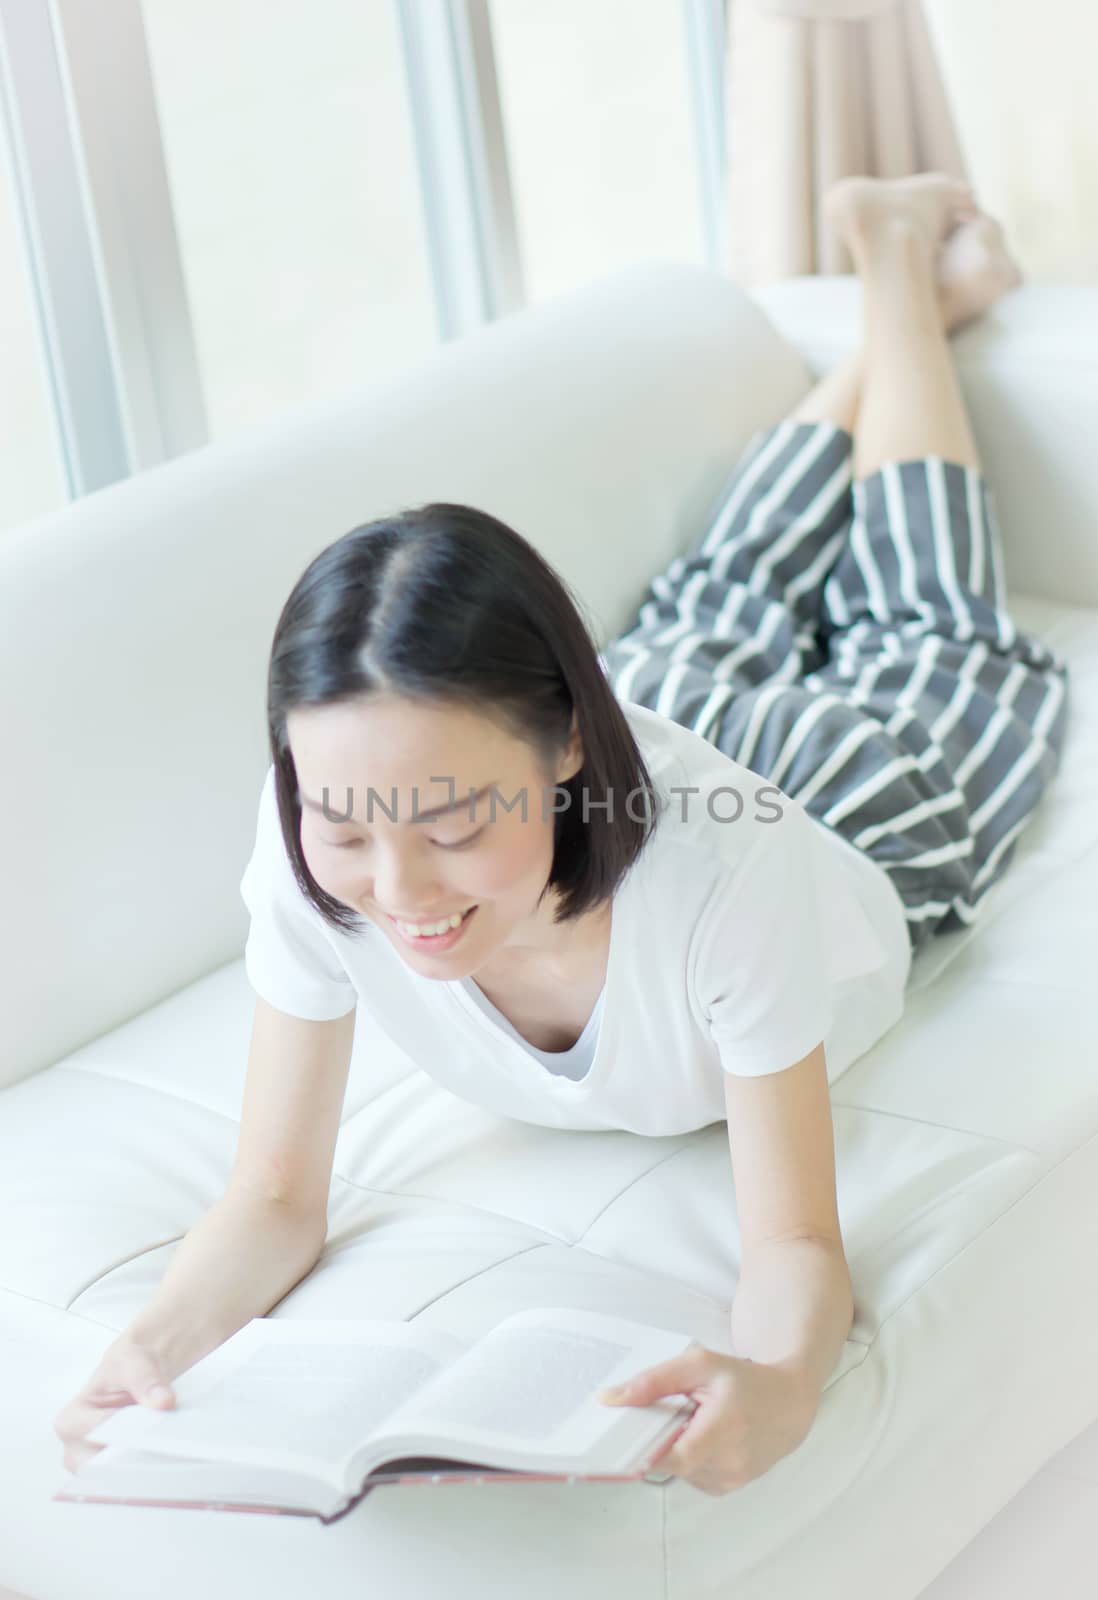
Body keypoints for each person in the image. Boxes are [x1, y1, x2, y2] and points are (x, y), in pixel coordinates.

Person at [54, 174, 1069, 1500]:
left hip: (836, 819)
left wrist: (776, 1380)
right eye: (345, 824)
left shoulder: (730, 880)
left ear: (565, 738)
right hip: (662, 740)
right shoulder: (326, 834)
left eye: (448, 822)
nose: (394, 890)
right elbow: (273, 1198)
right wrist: (149, 1347)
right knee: (719, 592)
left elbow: (794, 1247)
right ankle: (912, 304)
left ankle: (896, 285)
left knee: (924, 629)